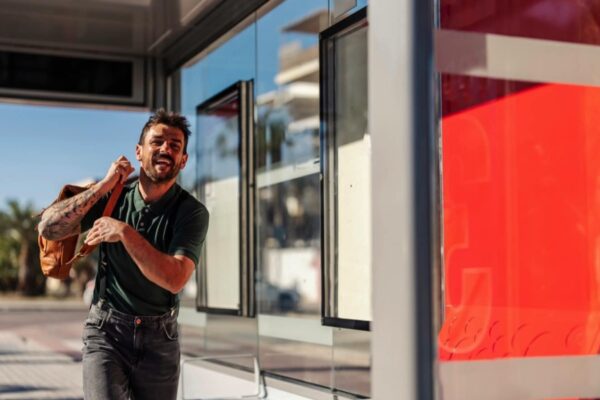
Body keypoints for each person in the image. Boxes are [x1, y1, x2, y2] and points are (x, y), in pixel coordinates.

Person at [38, 109, 209, 400]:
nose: (166, 148)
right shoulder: (113, 197)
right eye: (157, 142)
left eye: (175, 145)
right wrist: (104, 185)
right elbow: (49, 228)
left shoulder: (191, 212)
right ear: (139, 153)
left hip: (160, 338)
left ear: (183, 160)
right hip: (106, 331)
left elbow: (175, 278)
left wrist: (124, 232)